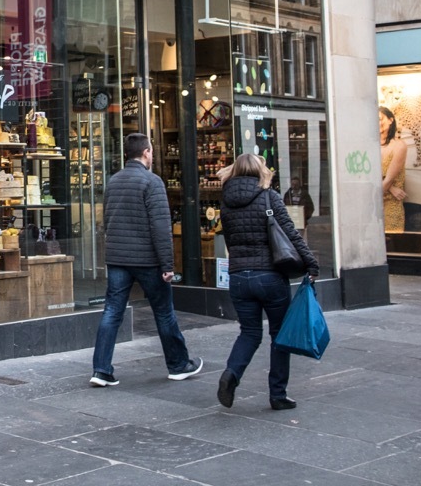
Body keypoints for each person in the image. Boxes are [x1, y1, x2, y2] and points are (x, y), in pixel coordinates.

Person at [90, 133, 202, 387]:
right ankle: (178, 364)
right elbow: (161, 227)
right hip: (147, 259)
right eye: (151, 151)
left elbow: (107, 220)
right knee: (163, 312)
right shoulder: (152, 182)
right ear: (146, 153)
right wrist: (168, 265)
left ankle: (101, 370)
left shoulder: (114, 181)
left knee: (111, 312)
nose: (152, 155)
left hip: (118, 258)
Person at [216, 153, 319, 411]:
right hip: (269, 276)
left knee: (249, 333)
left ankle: (231, 374)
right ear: (259, 171)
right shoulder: (268, 196)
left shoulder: (226, 201)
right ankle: (277, 394)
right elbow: (291, 233)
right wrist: (311, 263)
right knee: (279, 335)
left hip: (239, 277)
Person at [380, 106, 407, 233]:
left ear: (390, 120)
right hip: (374, 203)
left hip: (390, 205)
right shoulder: (368, 145)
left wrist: (388, 186)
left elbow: (388, 179)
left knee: (391, 241)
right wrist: (392, 188)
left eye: (380, 119)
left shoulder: (399, 145)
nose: (378, 123)